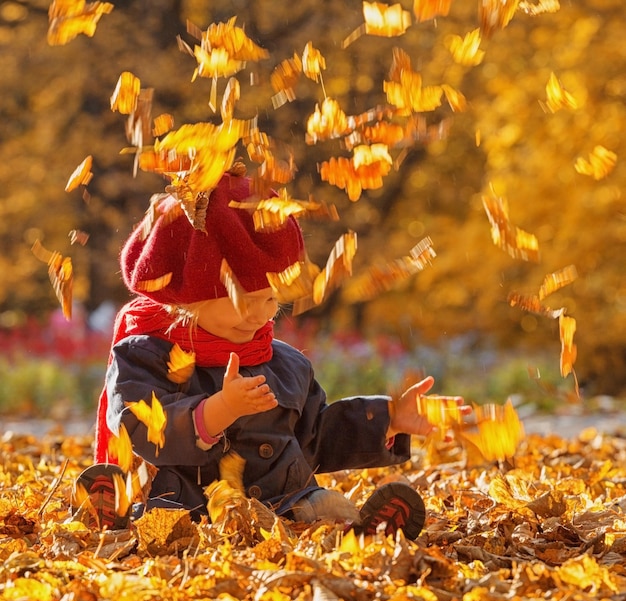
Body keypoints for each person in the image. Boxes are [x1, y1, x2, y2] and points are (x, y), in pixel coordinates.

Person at [75, 167, 471, 540]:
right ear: (187, 298)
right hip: (188, 507)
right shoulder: (144, 355)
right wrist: (217, 410)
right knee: (160, 519)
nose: (260, 313)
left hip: (282, 504)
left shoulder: (285, 363)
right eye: (241, 298)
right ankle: (115, 513)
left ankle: (360, 534)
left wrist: (388, 418)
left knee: (326, 506)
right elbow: (139, 428)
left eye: (269, 298)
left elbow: (313, 438)